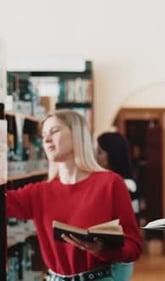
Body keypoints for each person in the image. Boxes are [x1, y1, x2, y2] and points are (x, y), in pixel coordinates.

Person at [6, 109, 143, 281]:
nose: (47, 139)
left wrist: (102, 249)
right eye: (43, 135)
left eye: (54, 131)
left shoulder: (110, 183)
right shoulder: (39, 192)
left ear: (77, 135)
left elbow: (134, 247)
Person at [96, 132, 141, 218]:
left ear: (112, 154)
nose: (97, 157)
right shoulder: (105, 180)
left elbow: (133, 218)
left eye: (100, 152)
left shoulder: (128, 184)